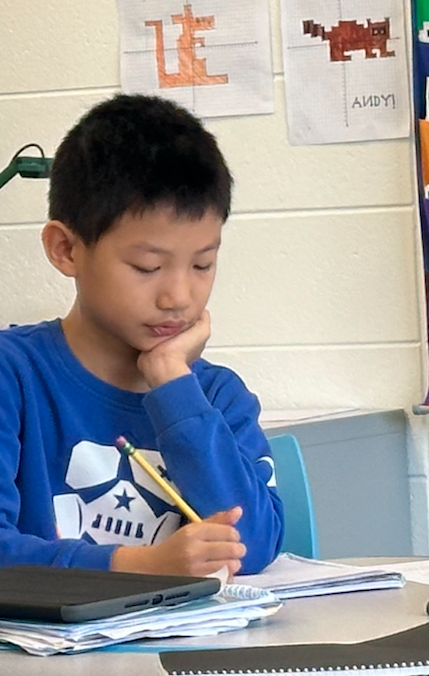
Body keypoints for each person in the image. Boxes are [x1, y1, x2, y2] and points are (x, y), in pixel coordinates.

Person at [0, 93, 283, 578]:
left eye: (202, 264)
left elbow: (250, 549)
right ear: (66, 249)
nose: (178, 295)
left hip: (185, 652)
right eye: (147, 266)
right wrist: (138, 565)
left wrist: (174, 386)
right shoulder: (15, 376)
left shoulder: (215, 395)